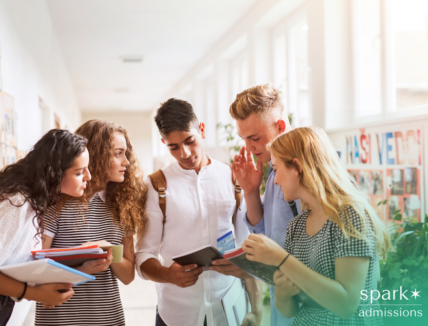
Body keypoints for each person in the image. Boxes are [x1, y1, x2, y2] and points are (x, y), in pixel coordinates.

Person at [242, 127, 390, 326]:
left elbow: (346, 305)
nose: (275, 180)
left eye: (276, 170)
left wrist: (281, 258)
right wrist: (283, 295)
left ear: (297, 167)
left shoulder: (349, 216)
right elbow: (291, 308)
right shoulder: (296, 226)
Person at [136, 99, 262, 326]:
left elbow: (248, 239)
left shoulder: (232, 177)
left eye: (189, 141)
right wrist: (167, 275)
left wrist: (242, 265)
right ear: (164, 143)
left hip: (227, 306)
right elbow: (144, 256)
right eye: (173, 147)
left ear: (201, 130)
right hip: (177, 313)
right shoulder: (157, 186)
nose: (184, 153)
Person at [0, 129, 89, 326]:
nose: (89, 177)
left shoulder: (35, 201)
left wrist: (85, 261)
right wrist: (33, 293)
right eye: (79, 172)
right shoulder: (14, 202)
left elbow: (14, 262)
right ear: (54, 173)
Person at [35, 120, 147, 326]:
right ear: (95, 154)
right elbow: (36, 268)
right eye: (117, 153)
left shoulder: (123, 206)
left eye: (126, 154)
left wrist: (109, 251)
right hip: (60, 319)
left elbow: (128, 275)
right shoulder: (56, 203)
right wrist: (84, 267)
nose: (126, 162)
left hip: (108, 318)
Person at [230, 84, 301, 326]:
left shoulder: (301, 170)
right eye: (244, 139)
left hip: (305, 303)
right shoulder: (273, 168)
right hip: (282, 300)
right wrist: (251, 192)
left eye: (255, 138)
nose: (249, 147)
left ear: (280, 126)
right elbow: (266, 234)